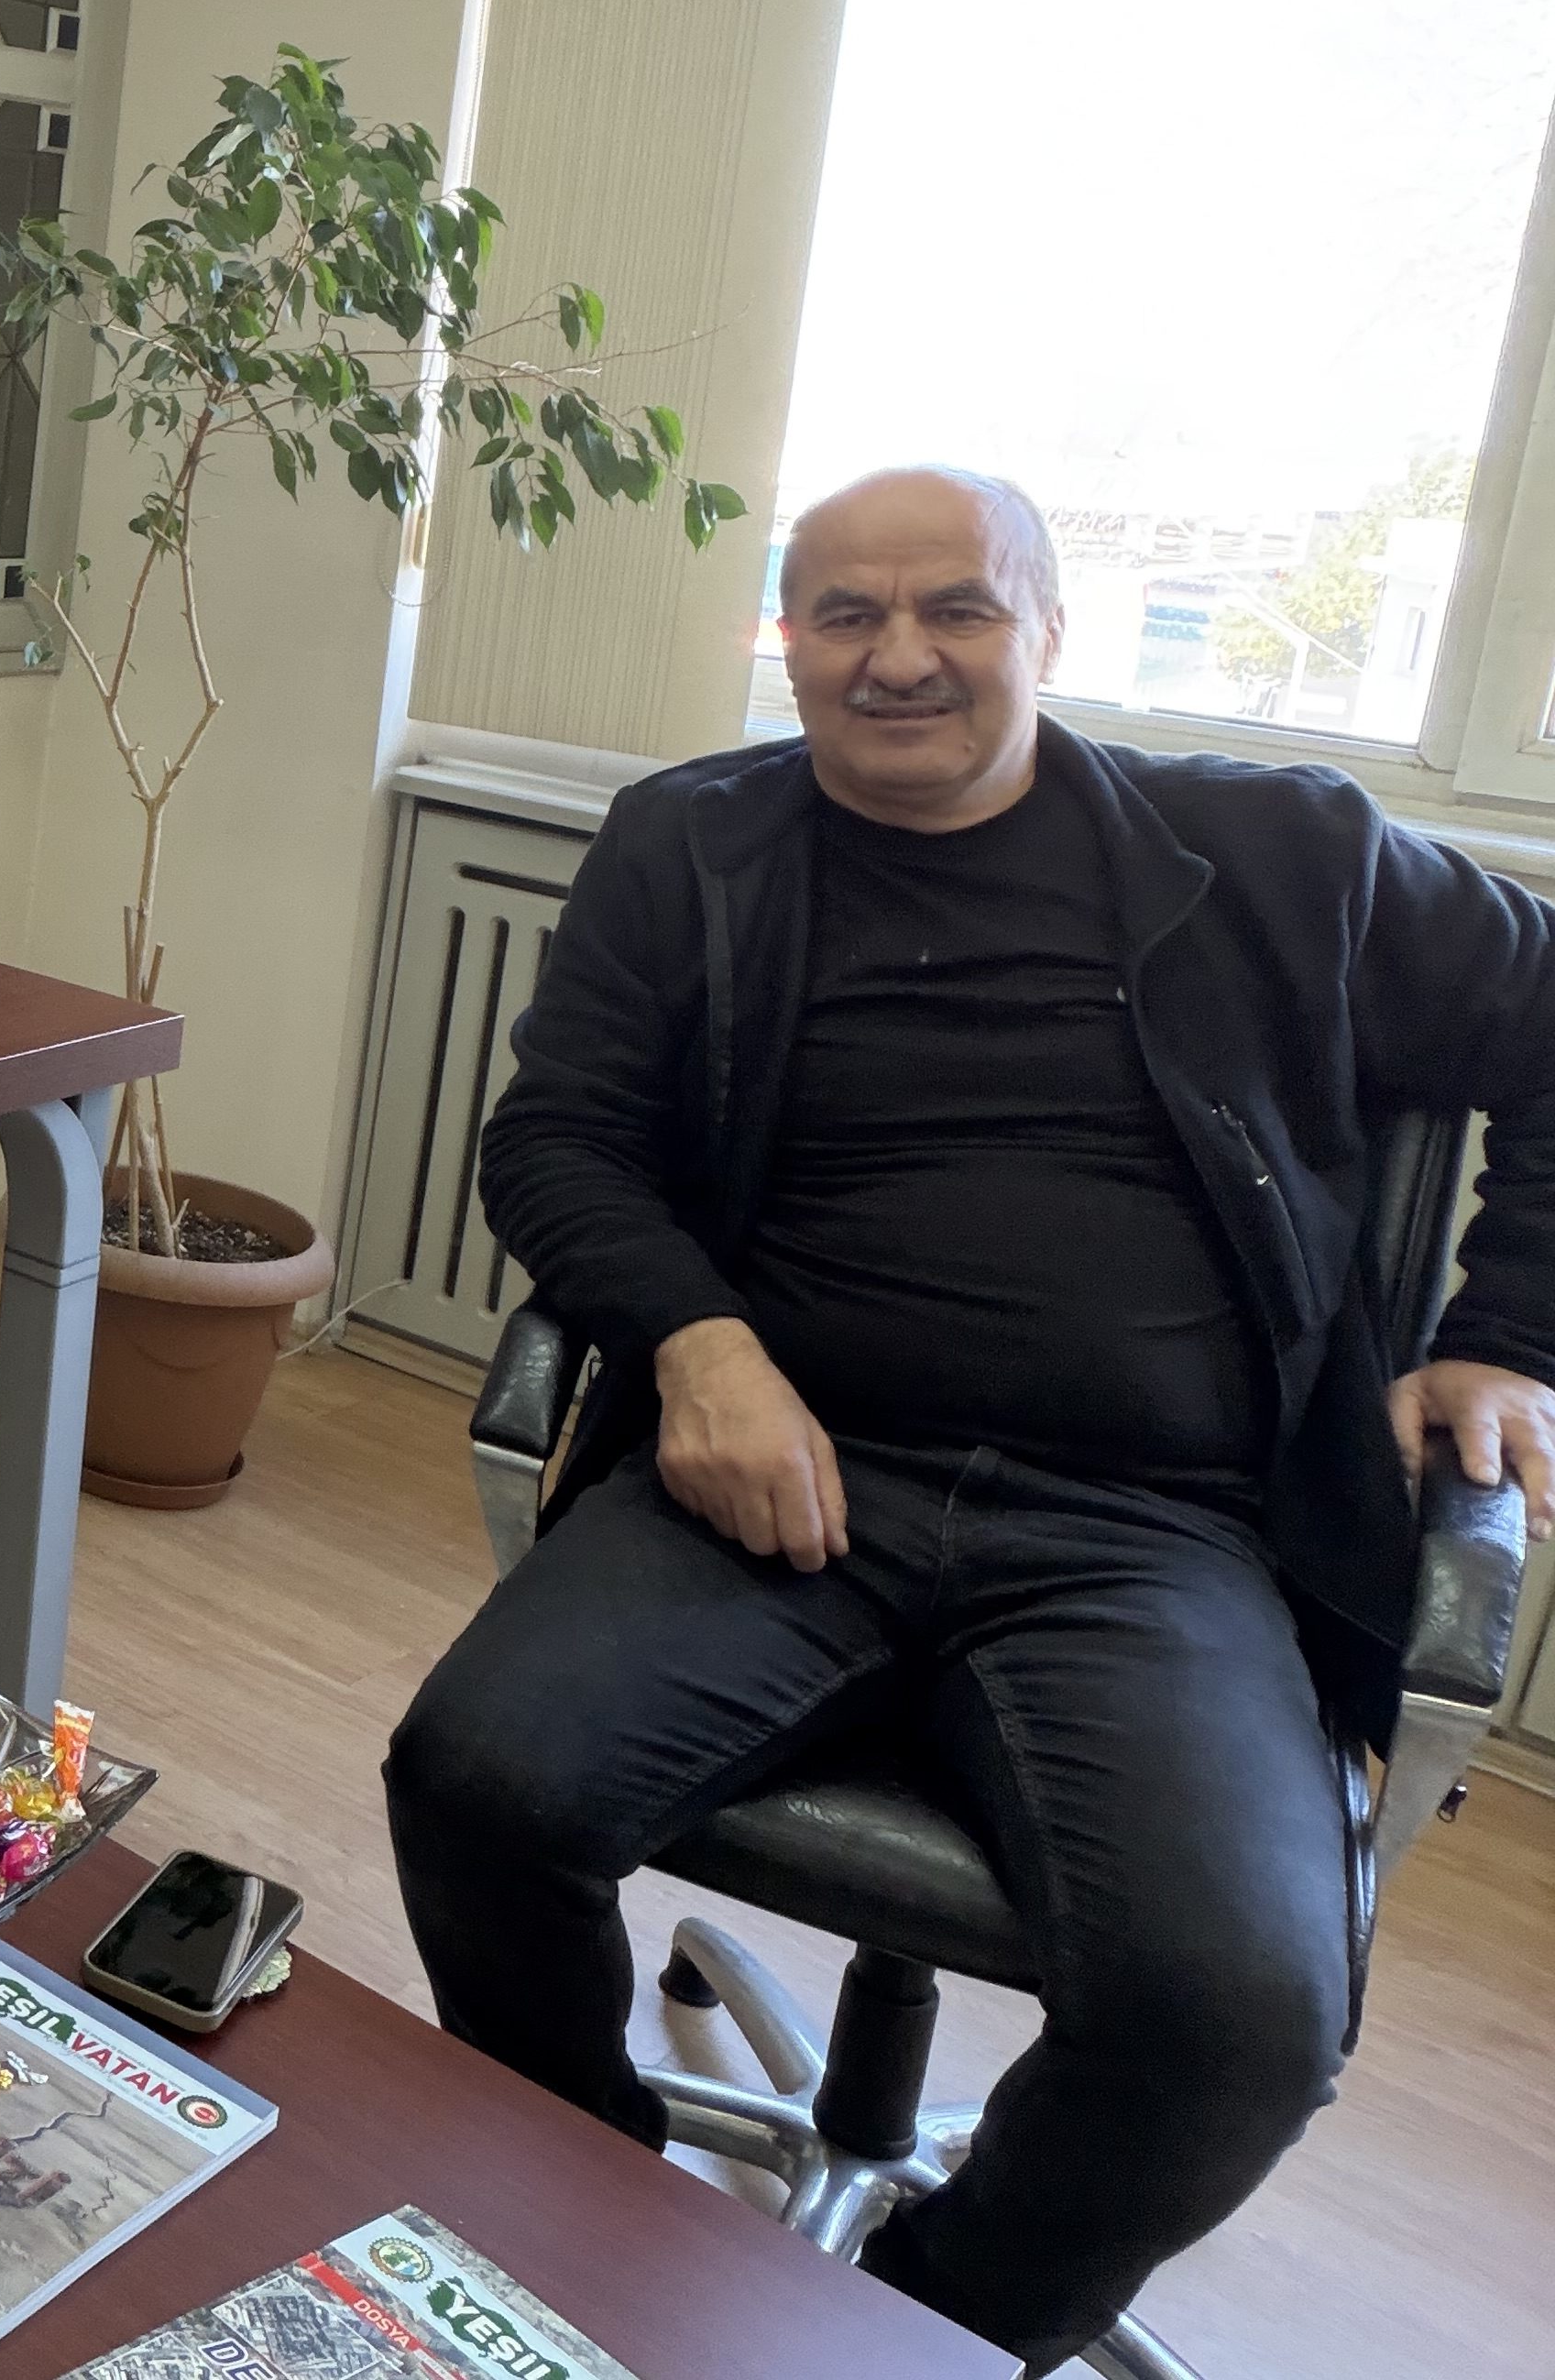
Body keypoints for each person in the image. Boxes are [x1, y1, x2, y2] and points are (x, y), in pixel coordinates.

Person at [387, 465, 1555, 2375]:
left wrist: (1510, 1335)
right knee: (475, 1787)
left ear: (1052, 632)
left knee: (1241, 2021)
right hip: (793, 1480)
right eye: (844, 614)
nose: (899, 657)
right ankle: (585, 2232)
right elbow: (558, 1137)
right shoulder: (694, 846)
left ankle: (911, 2335)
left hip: (1156, 1536)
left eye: (959, 610)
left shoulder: (1288, 854)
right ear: (789, 641)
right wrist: (699, 1346)